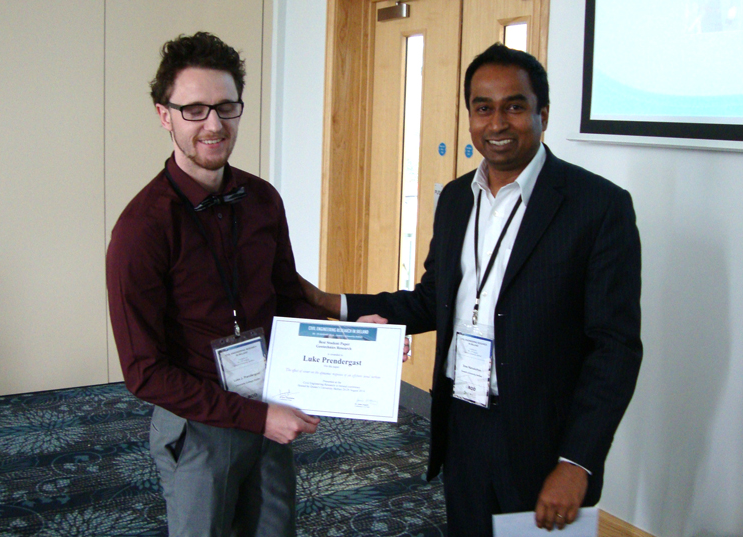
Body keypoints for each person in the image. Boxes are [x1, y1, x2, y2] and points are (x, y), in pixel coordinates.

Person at [301, 43, 642, 535]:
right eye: (483, 108)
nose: (497, 123)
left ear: (543, 114)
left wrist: (577, 461)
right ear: (470, 118)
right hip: (462, 421)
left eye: (515, 106)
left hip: (544, 438)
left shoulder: (598, 206)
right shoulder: (457, 198)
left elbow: (616, 348)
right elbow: (432, 300)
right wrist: (329, 303)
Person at [106, 32, 321, 537]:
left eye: (226, 107)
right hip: (199, 421)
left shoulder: (262, 200)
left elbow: (288, 300)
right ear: (165, 115)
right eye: (194, 110)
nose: (214, 124)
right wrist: (256, 418)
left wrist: (356, 340)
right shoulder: (142, 228)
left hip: (267, 401)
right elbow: (143, 373)